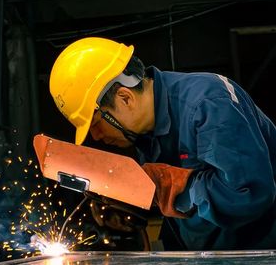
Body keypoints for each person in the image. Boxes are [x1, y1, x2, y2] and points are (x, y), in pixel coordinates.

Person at [48, 36, 276, 250]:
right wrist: (137, 206)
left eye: (96, 123)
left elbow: (249, 195)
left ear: (125, 97)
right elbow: (180, 209)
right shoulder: (145, 134)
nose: (96, 137)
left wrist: (175, 186)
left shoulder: (209, 103)